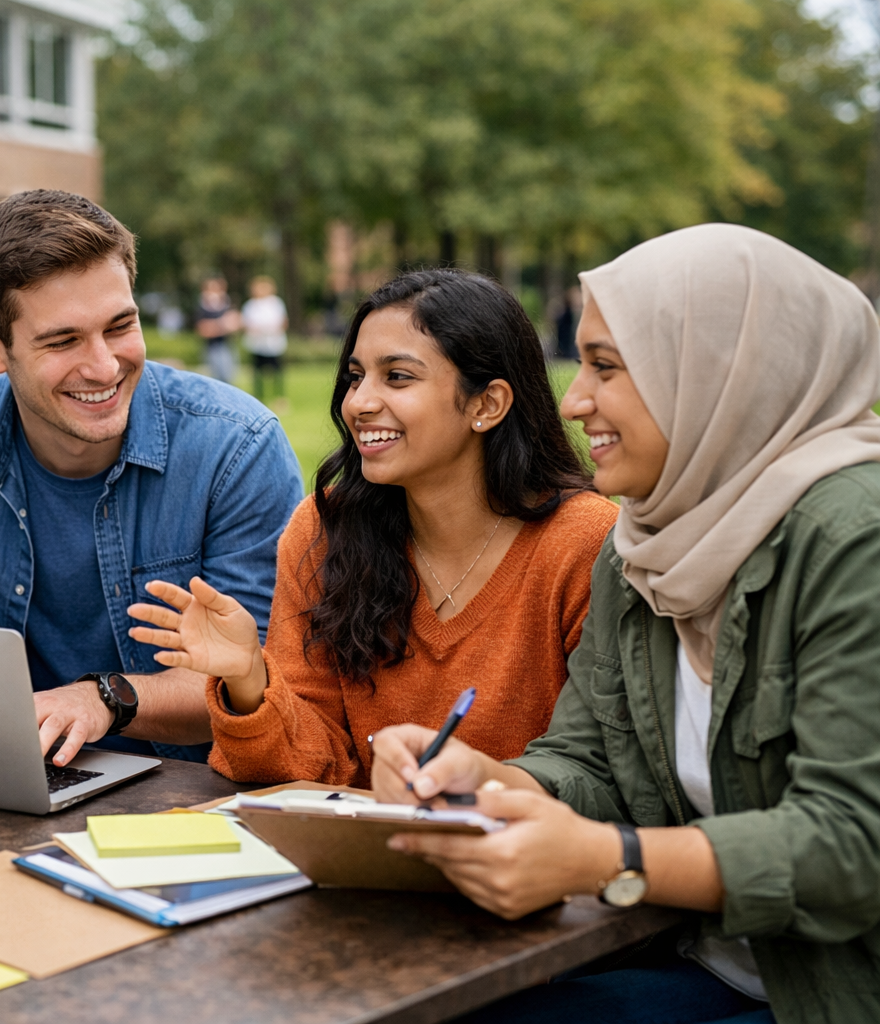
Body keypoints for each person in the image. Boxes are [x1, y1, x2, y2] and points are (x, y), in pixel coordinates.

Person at [371, 225, 880, 1024]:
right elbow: (591, 759)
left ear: (717, 372)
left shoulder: (855, 538)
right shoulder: (643, 542)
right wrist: (484, 779)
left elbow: (854, 845)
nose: (574, 400)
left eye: (605, 365)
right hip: (703, 966)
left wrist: (609, 857)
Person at [126, 269, 618, 785]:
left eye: (398, 377)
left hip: (518, 859)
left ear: (486, 404)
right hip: (354, 856)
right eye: (356, 376)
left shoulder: (585, 542)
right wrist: (248, 678)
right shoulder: (325, 527)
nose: (358, 402)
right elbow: (310, 768)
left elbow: (596, 776)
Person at [0, 190, 301, 765]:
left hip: (182, 800)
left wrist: (103, 699)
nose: (104, 366)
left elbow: (262, 681)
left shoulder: (236, 448)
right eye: (63, 340)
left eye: (120, 326)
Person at [241, 275, 288, 404]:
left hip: (274, 343)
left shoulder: (276, 303)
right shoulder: (250, 305)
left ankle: (279, 397)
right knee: (257, 373)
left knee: (277, 372)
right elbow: (246, 324)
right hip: (257, 344)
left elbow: (283, 321)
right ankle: (258, 397)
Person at [194, 276, 241, 385]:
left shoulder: (226, 305)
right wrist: (223, 324)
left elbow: (236, 324)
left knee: (229, 377)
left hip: (228, 345)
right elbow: (203, 330)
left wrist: (216, 326)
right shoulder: (202, 308)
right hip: (212, 347)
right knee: (218, 379)